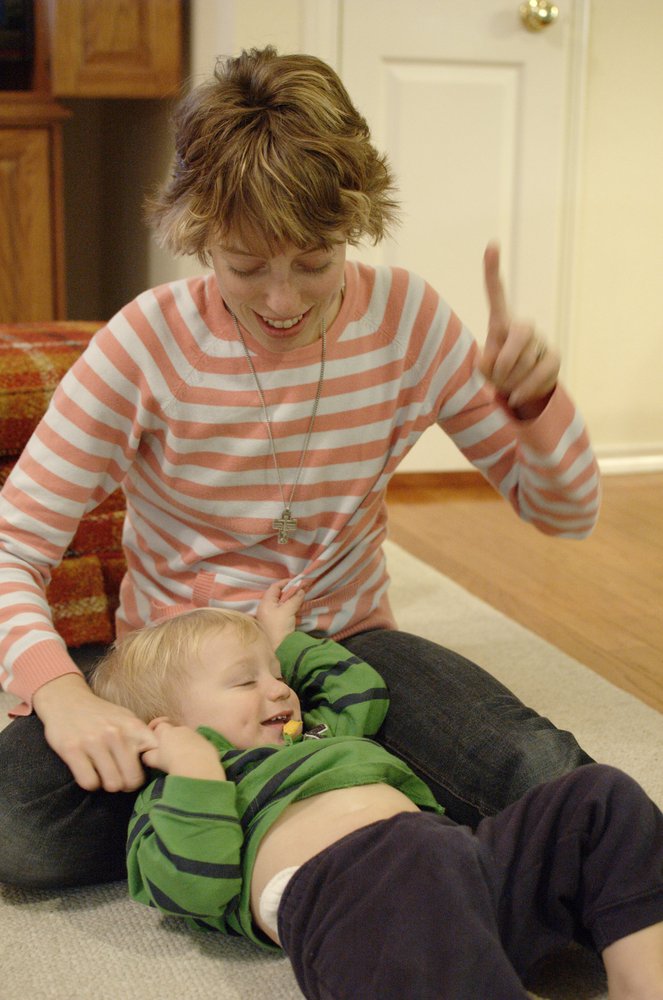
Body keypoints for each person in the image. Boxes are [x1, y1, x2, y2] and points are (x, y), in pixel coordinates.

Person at [0, 46, 601, 890]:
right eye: (246, 267)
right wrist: (61, 692)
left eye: (315, 262)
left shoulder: (409, 320)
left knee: (547, 776)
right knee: (20, 830)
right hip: (180, 668)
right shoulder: (144, 343)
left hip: (347, 643)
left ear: (354, 223)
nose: (282, 302)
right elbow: (12, 547)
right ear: (196, 233)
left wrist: (534, 407)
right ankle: (325, 786)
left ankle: (263, 794)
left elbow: (564, 513)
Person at [89, 583, 663, 1000]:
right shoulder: (170, 799)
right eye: (245, 680)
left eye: (278, 675)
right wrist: (195, 771)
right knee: (411, 858)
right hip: (355, 910)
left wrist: (284, 641)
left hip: (462, 864)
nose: (280, 690)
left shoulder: (315, 733)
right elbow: (196, 887)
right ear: (166, 726)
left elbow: (360, 689)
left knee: (599, 796)